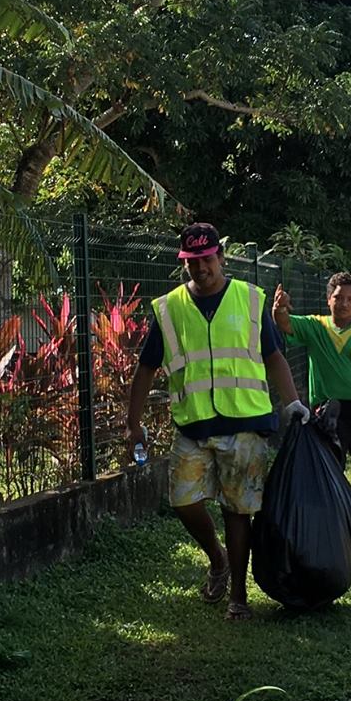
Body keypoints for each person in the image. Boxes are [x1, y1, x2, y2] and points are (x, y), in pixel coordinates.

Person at [125, 222, 306, 621]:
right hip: (193, 426)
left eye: (207, 259)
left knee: (237, 511)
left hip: (244, 422)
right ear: (184, 263)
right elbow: (146, 369)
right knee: (184, 501)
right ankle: (217, 559)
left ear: (221, 257)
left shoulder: (249, 299)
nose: (201, 267)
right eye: (193, 261)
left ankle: (238, 597)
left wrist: (292, 402)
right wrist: (133, 423)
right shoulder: (170, 308)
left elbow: (274, 355)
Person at [273, 271, 351, 529]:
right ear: (329, 299)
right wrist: (280, 308)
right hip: (327, 408)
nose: (343, 304)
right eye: (338, 298)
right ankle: (335, 508)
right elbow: (285, 324)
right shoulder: (315, 326)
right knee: (329, 461)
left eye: (350, 299)